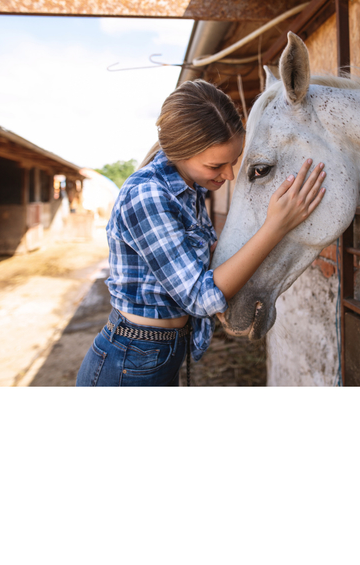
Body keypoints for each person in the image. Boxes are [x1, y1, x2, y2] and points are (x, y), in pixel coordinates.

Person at [76, 79, 326, 387]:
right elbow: (200, 297)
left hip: (157, 353)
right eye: (216, 165)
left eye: (234, 161)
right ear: (182, 153)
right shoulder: (148, 195)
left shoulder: (189, 188)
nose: (229, 175)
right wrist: (275, 227)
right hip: (131, 360)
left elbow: (202, 263)